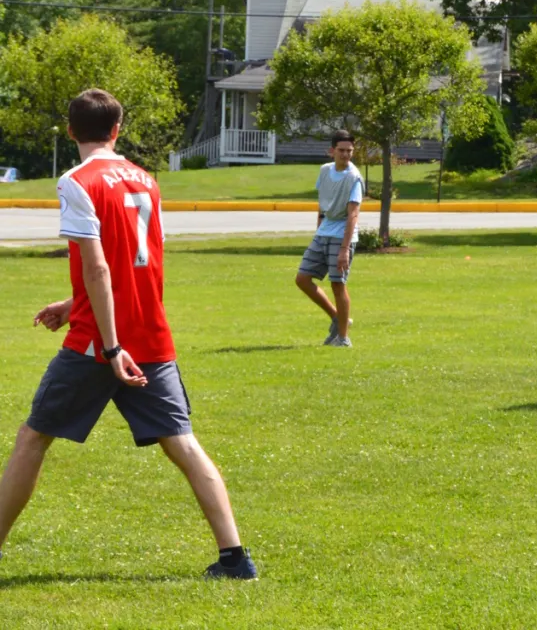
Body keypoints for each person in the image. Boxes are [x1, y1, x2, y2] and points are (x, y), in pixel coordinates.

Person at [0, 88, 257, 579]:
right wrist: (72, 303)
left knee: (33, 438)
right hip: (150, 335)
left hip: (101, 343)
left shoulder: (76, 180)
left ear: (71, 130)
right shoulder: (145, 180)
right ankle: (235, 558)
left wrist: (111, 345)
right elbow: (138, 266)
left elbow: (98, 267)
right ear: (117, 130)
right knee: (181, 441)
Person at [295, 130, 363, 347]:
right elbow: (323, 204)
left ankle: (343, 338)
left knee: (337, 284)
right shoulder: (325, 171)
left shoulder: (354, 178)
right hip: (323, 233)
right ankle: (337, 317)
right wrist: (318, 229)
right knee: (302, 279)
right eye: (341, 150)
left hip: (343, 236)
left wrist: (344, 249)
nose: (345, 155)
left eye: (349, 151)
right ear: (331, 151)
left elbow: (353, 214)